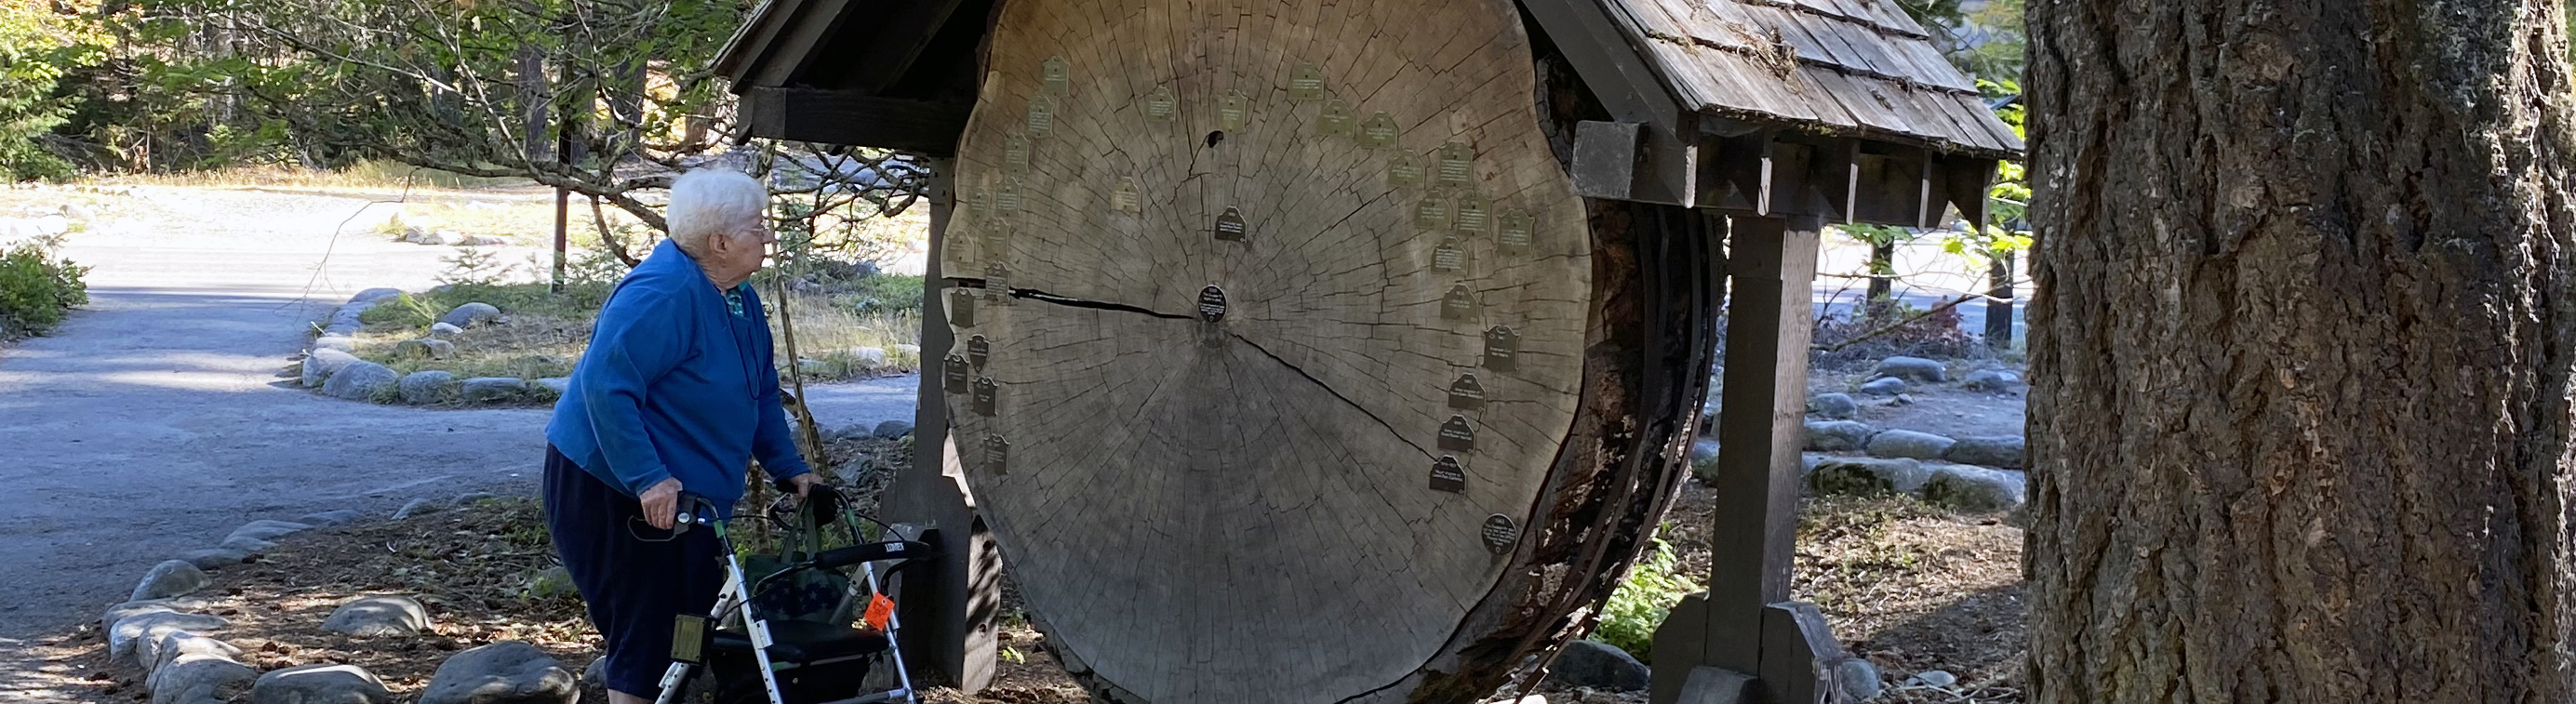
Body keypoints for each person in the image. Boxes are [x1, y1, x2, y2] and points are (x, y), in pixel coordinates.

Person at [541, 168, 818, 704]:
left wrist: (789, 466)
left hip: (690, 495)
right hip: (615, 485)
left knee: (688, 622)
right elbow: (606, 388)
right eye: (758, 227)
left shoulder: (738, 297)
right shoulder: (662, 294)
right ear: (719, 242)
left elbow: (758, 391)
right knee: (646, 631)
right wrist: (648, 479)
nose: (768, 237)